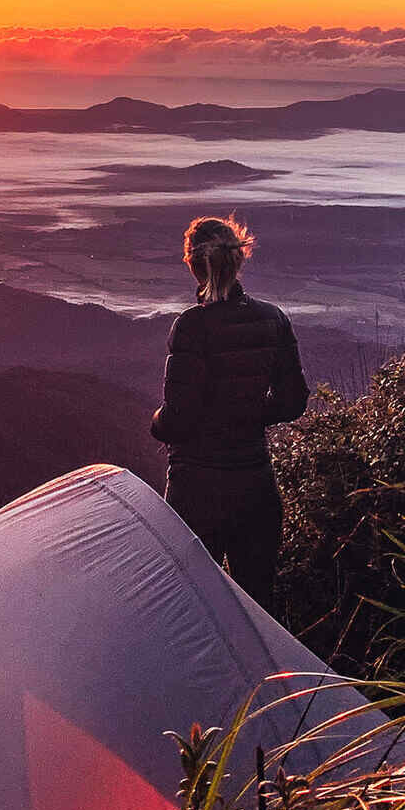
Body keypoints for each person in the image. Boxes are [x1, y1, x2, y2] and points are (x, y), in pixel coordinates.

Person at [150, 215, 308, 614]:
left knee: (190, 609)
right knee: (258, 610)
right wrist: (248, 413)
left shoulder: (191, 327)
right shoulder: (273, 319)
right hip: (256, 485)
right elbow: (293, 402)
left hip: (196, 489)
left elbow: (178, 420)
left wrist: (157, 423)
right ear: (239, 260)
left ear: (191, 264)